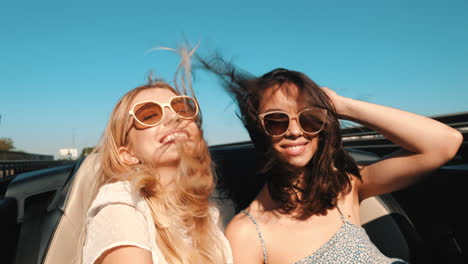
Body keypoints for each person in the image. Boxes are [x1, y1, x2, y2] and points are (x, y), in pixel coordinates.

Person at [202, 63, 462, 264]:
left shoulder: (344, 187)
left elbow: (444, 143)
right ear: (259, 130)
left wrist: (339, 105)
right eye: (277, 120)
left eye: (310, 118)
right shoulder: (247, 232)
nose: (294, 131)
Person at [82, 50, 232, 264]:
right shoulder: (122, 206)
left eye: (183, 109)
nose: (173, 117)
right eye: (149, 115)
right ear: (128, 154)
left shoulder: (208, 214)